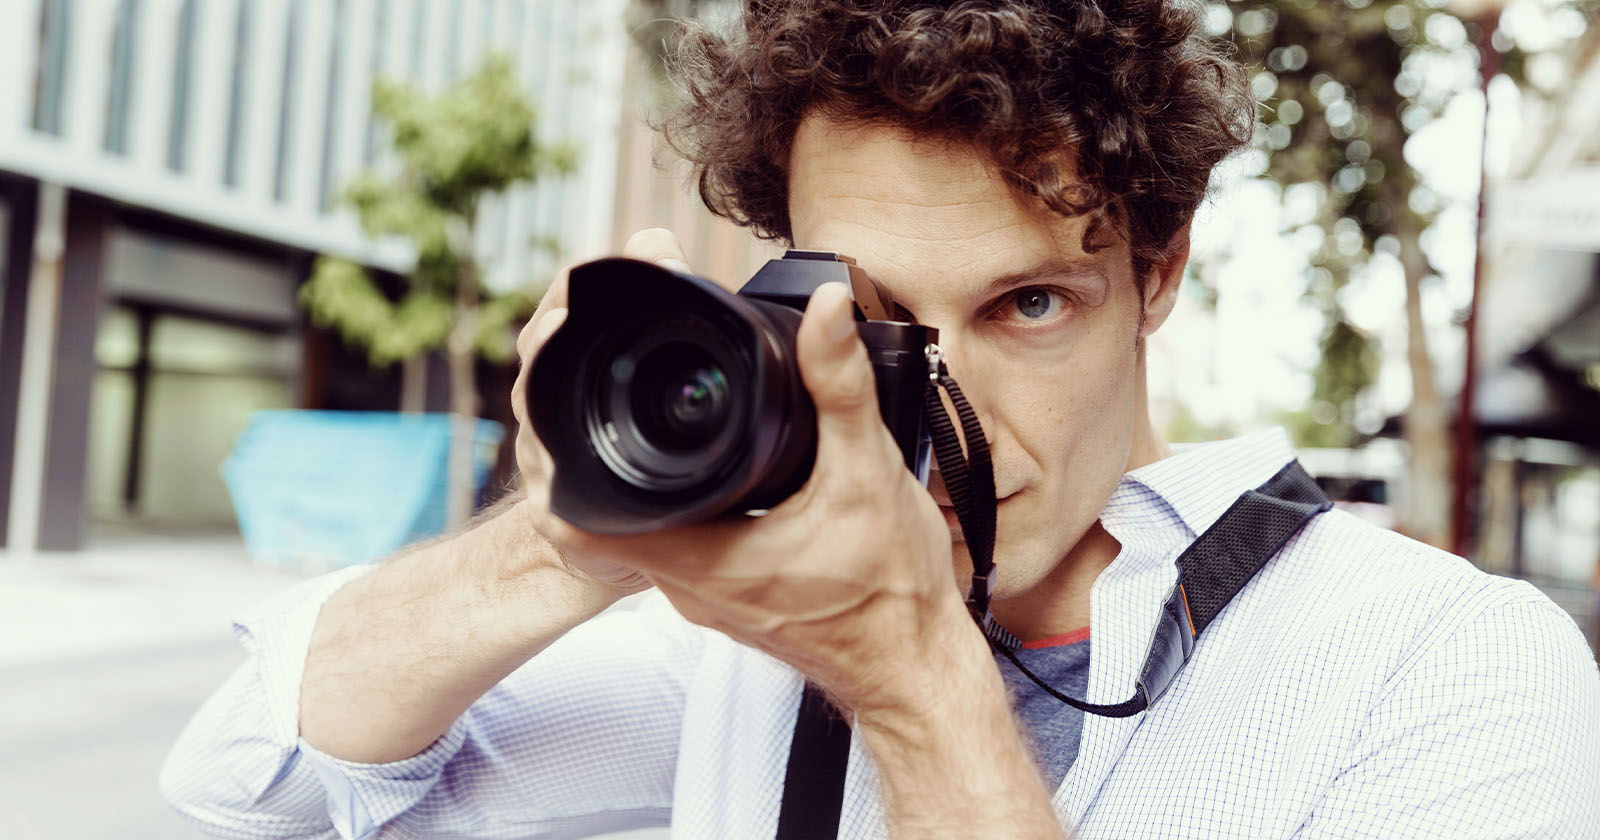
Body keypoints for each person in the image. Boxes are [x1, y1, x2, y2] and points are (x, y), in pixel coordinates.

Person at [161, 2, 1600, 838]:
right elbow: (268, 775)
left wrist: (910, 674)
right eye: (881, 312)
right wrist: (570, 532)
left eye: (1030, 306)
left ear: (1155, 275)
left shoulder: (1440, 660)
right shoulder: (747, 633)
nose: (951, 393)